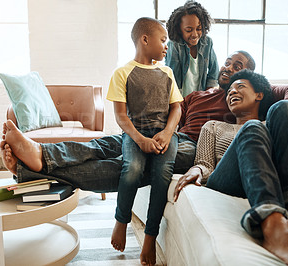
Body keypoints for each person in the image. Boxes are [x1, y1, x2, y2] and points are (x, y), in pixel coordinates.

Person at [0, 51, 288, 193]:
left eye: (240, 67)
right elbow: (170, 118)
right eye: (229, 63)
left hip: (197, 150)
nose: (230, 69)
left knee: (127, 167)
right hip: (174, 138)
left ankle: (36, 166)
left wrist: (262, 94)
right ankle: (42, 158)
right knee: (116, 143)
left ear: (250, 79)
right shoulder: (197, 95)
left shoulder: (242, 96)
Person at [173, 69, 288, 265]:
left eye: (240, 87)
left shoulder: (271, 124)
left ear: (259, 94)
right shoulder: (213, 126)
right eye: (229, 91)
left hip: (266, 177)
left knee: (284, 107)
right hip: (227, 180)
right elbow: (205, 164)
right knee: (252, 127)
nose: (232, 92)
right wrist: (197, 169)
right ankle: (273, 226)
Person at [106, 17, 183, 265]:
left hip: (164, 134)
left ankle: (150, 236)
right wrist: (140, 140)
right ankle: (121, 220)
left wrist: (168, 133)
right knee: (133, 169)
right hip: (134, 132)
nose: (166, 46)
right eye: (163, 40)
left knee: (162, 176)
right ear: (145, 39)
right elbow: (120, 116)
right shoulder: (122, 73)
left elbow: (177, 109)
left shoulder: (167, 72)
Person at [165, 0, 219, 97]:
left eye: (199, 29)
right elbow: (173, 81)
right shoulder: (174, 45)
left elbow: (213, 73)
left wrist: (206, 96)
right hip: (179, 99)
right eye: (189, 30)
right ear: (179, 30)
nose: (195, 34)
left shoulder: (208, 43)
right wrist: (181, 105)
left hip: (201, 98)